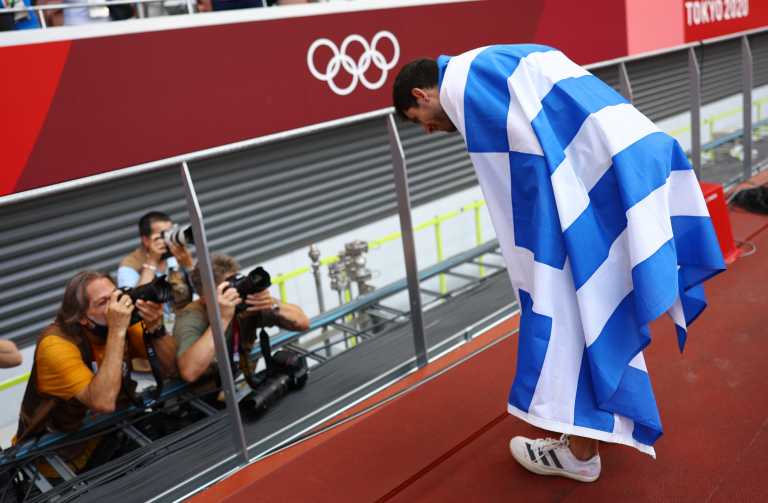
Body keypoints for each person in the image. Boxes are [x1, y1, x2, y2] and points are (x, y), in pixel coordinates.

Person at [392, 46, 724, 482]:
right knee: (594, 306)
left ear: (421, 95)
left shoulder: (469, 89)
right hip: (619, 168)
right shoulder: (496, 61)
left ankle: (582, 453)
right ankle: (596, 426)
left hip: (586, 199)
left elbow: (523, 173)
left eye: (419, 120)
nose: (430, 129)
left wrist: (541, 256)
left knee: (572, 310)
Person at [14, 271, 177, 477]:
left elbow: (173, 368)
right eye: (103, 302)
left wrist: (156, 328)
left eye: (116, 295)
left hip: (111, 435)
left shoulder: (122, 325)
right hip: (58, 460)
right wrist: (117, 331)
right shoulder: (55, 345)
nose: (116, 306)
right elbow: (103, 402)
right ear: (83, 318)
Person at [174, 254, 309, 386]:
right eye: (229, 288)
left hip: (235, 384)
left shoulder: (245, 303)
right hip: (200, 395)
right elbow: (189, 372)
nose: (238, 291)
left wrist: (273, 305)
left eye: (238, 282)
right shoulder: (191, 316)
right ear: (205, 298)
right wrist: (222, 319)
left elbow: (302, 323)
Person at [117, 211, 194, 314]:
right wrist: (152, 261)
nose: (169, 239)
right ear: (146, 240)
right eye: (163, 235)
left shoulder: (174, 254)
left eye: (170, 232)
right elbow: (136, 305)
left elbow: (199, 290)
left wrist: (189, 266)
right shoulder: (129, 266)